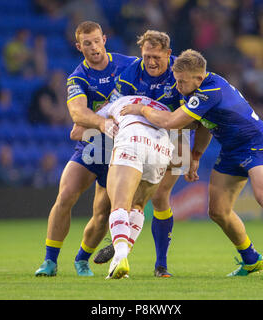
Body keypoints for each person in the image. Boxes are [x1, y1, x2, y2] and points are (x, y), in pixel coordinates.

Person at [122, 49, 263, 280]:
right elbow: (203, 126)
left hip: (256, 143)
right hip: (231, 150)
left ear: (198, 79)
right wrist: (196, 156)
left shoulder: (210, 91)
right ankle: (251, 259)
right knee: (218, 211)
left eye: (182, 82)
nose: (178, 86)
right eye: (176, 80)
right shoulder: (198, 89)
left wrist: (140, 109)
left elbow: (171, 122)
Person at [34, 21, 137, 277]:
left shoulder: (129, 64)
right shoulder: (78, 77)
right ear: (79, 46)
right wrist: (102, 123)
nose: (93, 47)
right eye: (87, 44)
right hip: (91, 147)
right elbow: (77, 112)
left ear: (105, 38)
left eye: (96, 41)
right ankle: (50, 261)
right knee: (66, 195)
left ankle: (81, 260)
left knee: (102, 214)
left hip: (119, 151)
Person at [94, 30, 185, 278]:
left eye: (157, 57)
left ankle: (158, 263)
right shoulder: (132, 73)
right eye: (147, 56)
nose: (152, 62)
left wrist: (193, 155)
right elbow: (113, 105)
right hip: (154, 139)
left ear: (169, 54)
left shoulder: (181, 72)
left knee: (159, 198)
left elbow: (193, 116)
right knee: (139, 201)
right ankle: (123, 247)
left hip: (177, 135)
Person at [71, 95, 174, 279]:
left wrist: (103, 123)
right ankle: (122, 251)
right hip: (162, 148)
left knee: (119, 205)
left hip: (132, 139)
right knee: (138, 207)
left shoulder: (116, 102)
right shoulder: (162, 106)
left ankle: (119, 257)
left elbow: (77, 132)